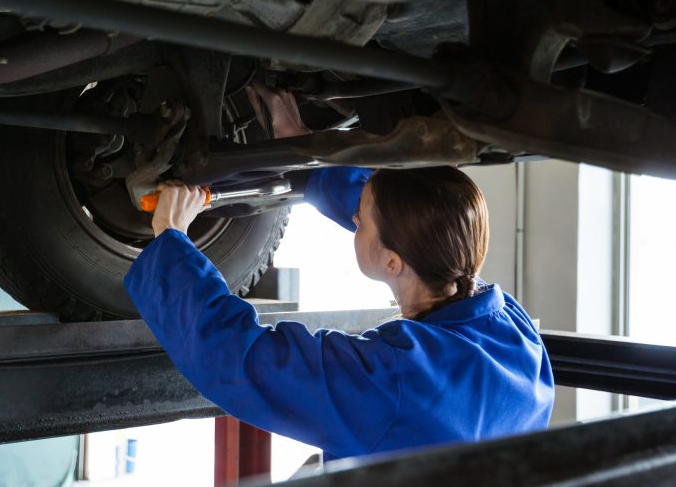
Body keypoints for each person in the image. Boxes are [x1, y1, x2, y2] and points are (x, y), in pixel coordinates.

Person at [123, 85, 554, 462]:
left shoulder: (390, 379)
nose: (354, 220)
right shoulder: (511, 327)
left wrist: (172, 238)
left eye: (360, 221)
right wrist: (302, 146)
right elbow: (407, 220)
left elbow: (241, 359)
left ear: (392, 261)